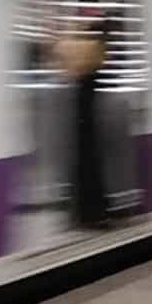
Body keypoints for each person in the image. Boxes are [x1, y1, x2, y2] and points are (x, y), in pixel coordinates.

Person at [56, 19, 112, 228]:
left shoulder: (77, 47)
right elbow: (100, 72)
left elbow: (65, 66)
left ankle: (81, 213)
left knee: (81, 164)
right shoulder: (96, 48)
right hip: (88, 114)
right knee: (91, 165)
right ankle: (95, 213)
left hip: (79, 112)